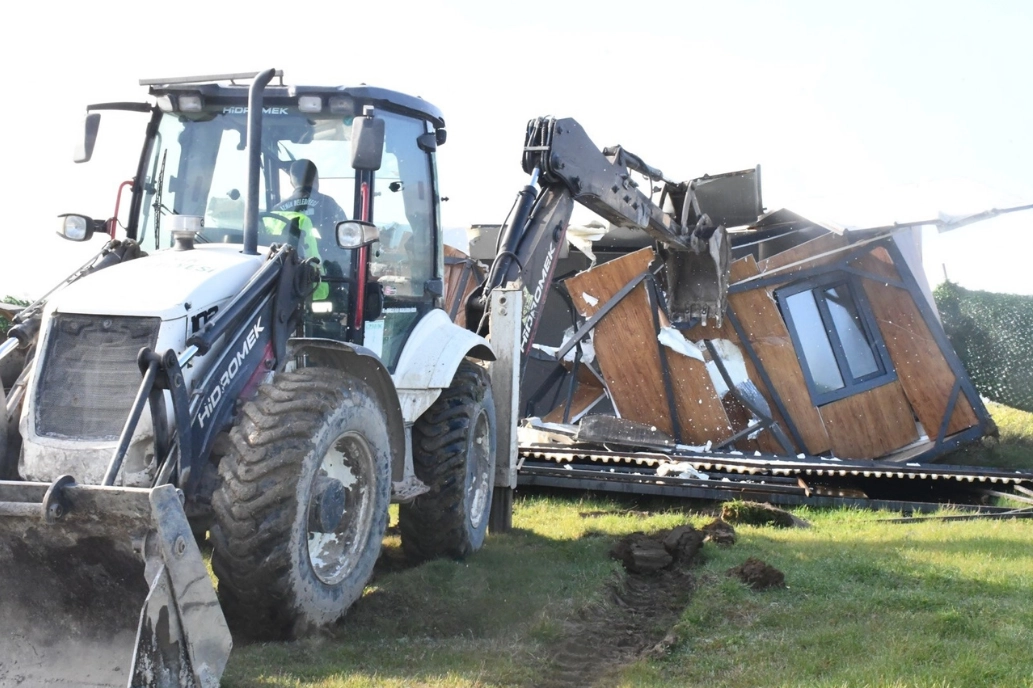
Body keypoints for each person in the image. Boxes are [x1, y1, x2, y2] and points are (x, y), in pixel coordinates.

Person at [272, 159, 347, 237]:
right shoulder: (328, 203)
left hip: (287, 249)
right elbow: (346, 234)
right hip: (323, 249)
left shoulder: (277, 210)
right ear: (316, 178)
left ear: (291, 182)